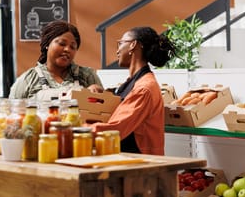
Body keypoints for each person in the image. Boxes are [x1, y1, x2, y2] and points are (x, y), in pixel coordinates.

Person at [89, 26, 176, 155]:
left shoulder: (144, 88)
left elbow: (116, 129)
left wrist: (73, 131)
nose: (117, 50)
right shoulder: (134, 82)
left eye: (121, 43)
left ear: (133, 45)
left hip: (141, 165)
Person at [9, 20, 104, 100]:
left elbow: (104, 111)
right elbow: (12, 113)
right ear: (47, 44)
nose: (67, 49)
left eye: (72, 47)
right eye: (62, 44)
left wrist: (94, 93)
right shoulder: (28, 80)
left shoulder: (88, 76)